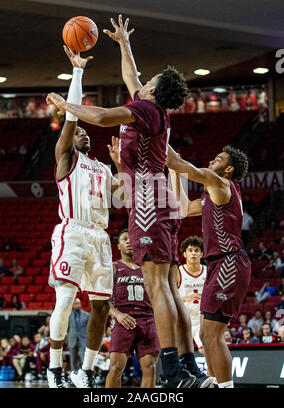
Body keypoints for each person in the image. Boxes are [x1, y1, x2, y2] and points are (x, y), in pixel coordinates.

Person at [47, 14, 198, 389]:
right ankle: (188, 363)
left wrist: (66, 107)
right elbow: (132, 79)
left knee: (157, 286)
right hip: (156, 197)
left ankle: (174, 370)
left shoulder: (146, 110)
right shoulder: (155, 110)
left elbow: (97, 116)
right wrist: (124, 44)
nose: (142, 82)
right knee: (166, 285)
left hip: (148, 199)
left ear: (154, 93)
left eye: (150, 82)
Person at [46, 46, 121, 388]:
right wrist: (77, 72)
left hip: (100, 237)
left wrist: (122, 165)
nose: (83, 133)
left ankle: (86, 371)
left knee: (102, 309)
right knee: (65, 297)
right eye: (78, 132)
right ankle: (55, 369)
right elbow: (72, 117)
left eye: (85, 132)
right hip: (72, 233)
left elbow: (125, 194)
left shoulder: (103, 168)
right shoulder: (66, 157)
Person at [167, 144, 251, 388]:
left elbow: (183, 166)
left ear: (228, 169)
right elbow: (180, 209)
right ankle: (216, 384)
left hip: (229, 262)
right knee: (205, 336)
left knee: (213, 336)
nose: (213, 160)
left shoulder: (221, 183)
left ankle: (226, 387)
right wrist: (174, 172)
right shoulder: (209, 195)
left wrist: (162, 136)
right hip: (218, 264)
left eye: (219, 159)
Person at [105, 229, 160, 388]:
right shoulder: (113, 267)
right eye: (124, 239)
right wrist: (117, 315)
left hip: (147, 319)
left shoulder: (148, 268)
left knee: (150, 367)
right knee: (116, 367)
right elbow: (102, 300)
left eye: (131, 238)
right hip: (123, 318)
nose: (128, 241)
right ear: (119, 246)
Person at [177, 236, 207, 355]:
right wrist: (185, 298)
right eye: (190, 250)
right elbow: (168, 297)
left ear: (202, 254)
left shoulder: (207, 271)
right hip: (183, 318)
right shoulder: (178, 271)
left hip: (201, 319)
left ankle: (212, 373)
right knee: (182, 351)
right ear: (184, 254)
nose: (193, 253)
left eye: (196, 250)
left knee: (205, 349)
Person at [67, 298, 90, 371]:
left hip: (83, 339)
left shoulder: (87, 315)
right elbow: (67, 328)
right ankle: (73, 374)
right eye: (75, 304)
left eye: (78, 303)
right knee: (73, 359)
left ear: (80, 304)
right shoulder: (68, 315)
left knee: (84, 358)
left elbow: (89, 328)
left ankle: (84, 373)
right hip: (72, 339)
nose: (76, 305)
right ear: (73, 305)